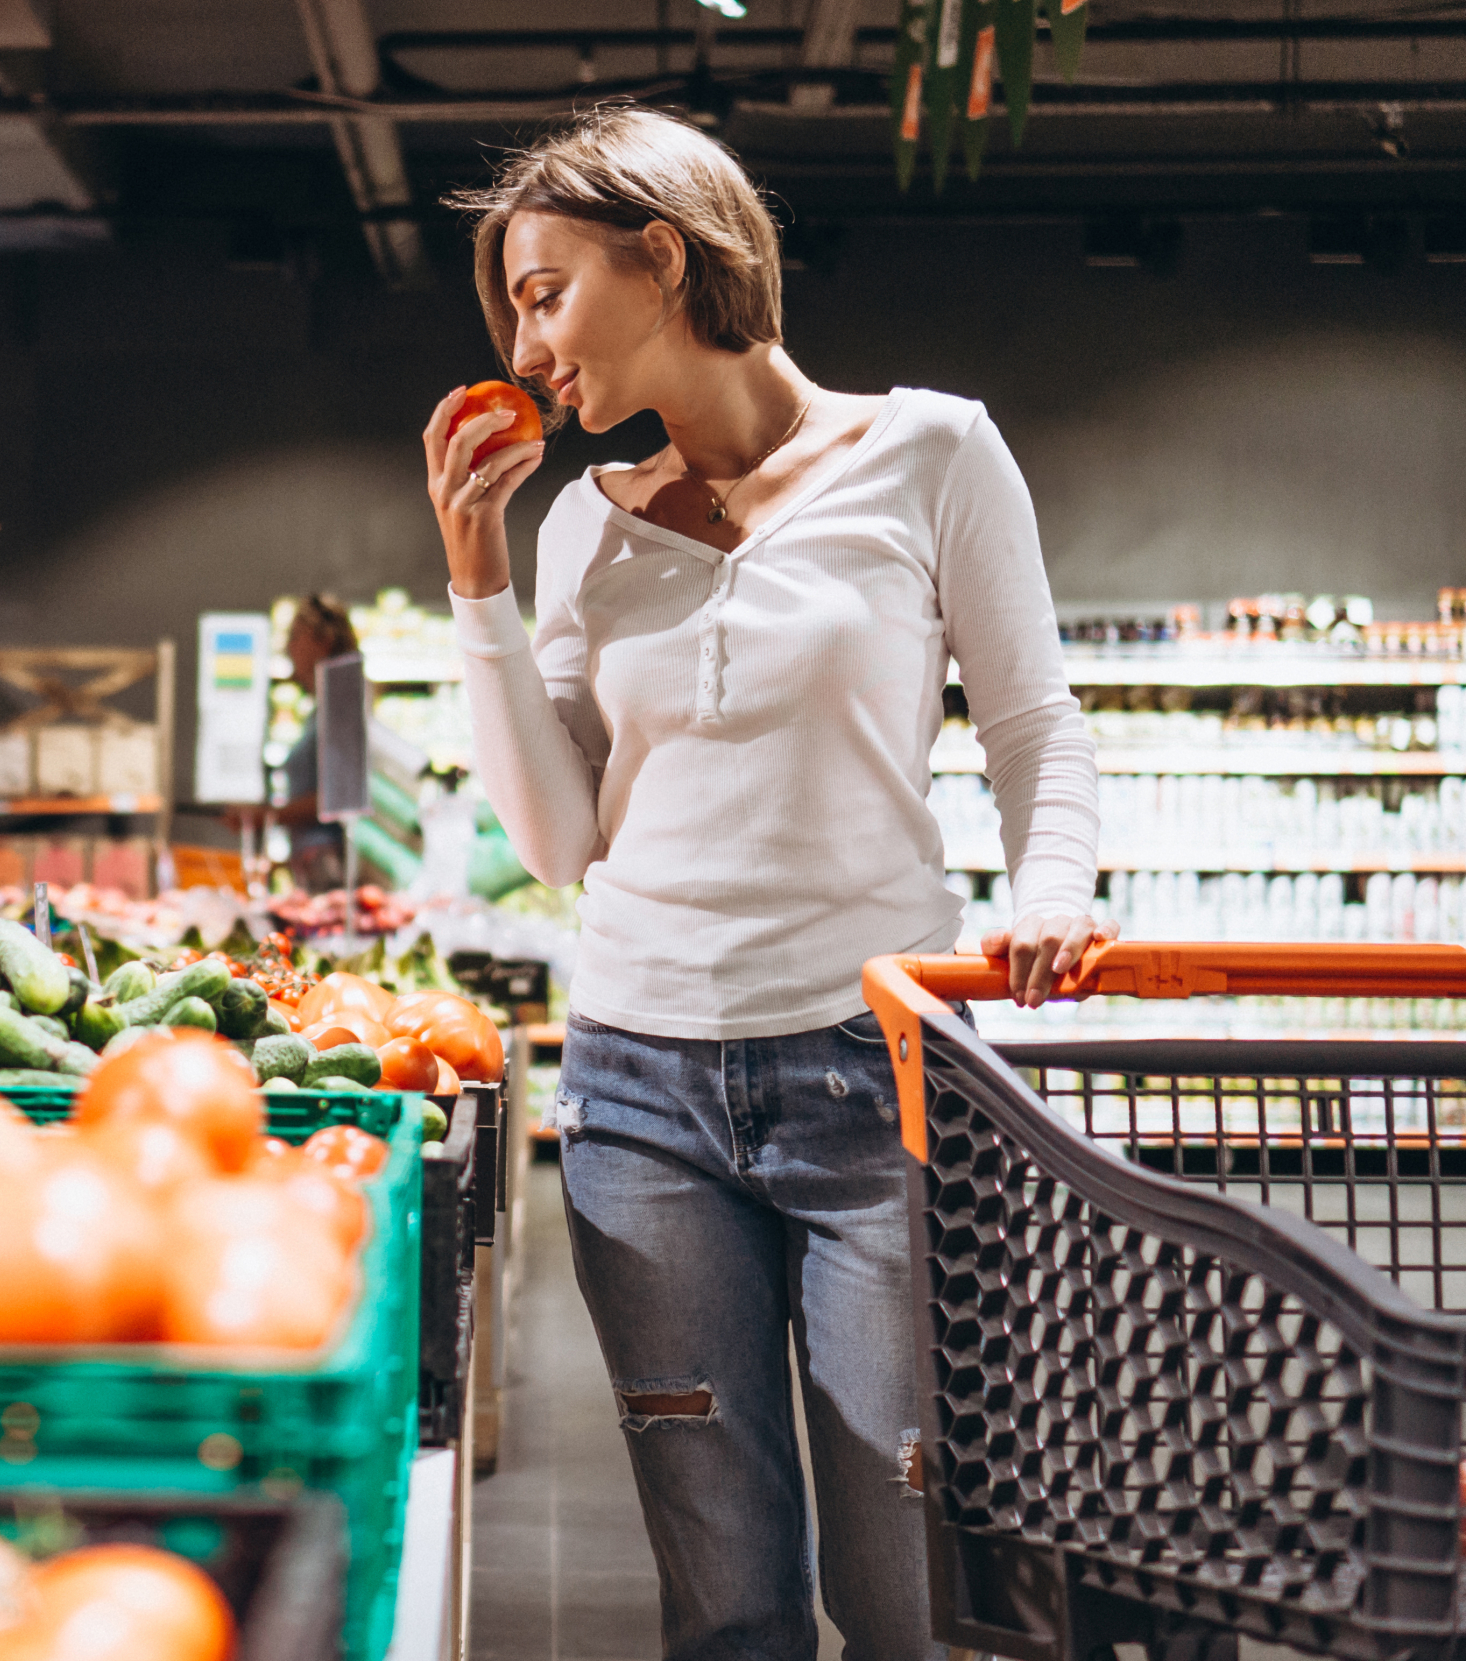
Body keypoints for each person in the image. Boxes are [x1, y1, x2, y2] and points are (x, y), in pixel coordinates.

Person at [425, 106, 1101, 1660]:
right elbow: (560, 844)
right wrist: (476, 574)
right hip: (640, 1092)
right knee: (724, 1600)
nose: (524, 348)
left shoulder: (932, 450)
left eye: (541, 292)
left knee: (905, 1584)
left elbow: (1033, 725)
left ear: (662, 256)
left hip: (881, 1078)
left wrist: (1050, 884)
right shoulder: (585, 521)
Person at [229, 594, 362, 890]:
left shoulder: (339, 706)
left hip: (328, 861)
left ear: (323, 640)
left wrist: (264, 816)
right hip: (311, 858)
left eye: (295, 637)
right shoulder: (322, 708)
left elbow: (336, 797)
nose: (288, 648)